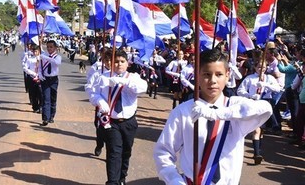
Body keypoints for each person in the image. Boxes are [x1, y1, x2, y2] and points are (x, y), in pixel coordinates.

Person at [154, 49, 273, 184]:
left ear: (228, 75)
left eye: (219, 74)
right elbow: (163, 152)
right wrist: (174, 180)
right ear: (197, 75)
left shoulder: (234, 106)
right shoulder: (183, 111)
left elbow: (265, 109)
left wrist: (218, 113)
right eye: (206, 74)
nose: (212, 81)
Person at [86, 49, 147, 184]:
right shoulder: (103, 77)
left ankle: (122, 179)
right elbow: (92, 92)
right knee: (114, 152)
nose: (119, 64)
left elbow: (142, 87)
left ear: (127, 63)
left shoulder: (133, 77)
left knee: (126, 152)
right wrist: (100, 102)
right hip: (111, 122)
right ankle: (112, 182)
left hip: (128, 122)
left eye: (122, 61)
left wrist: (123, 82)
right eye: (116, 61)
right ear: (111, 63)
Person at [236, 53, 282, 165]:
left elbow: (278, 89)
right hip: (254, 104)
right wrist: (250, 96)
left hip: (266, 105)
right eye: (259, 67)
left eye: (264, 67)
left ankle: (258, 150)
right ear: (255, 67)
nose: (262, 69)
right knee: (256, 129)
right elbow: (240, 91)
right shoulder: (249, 78)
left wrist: (266, 85)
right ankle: (257, 154)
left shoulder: (269, 78)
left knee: (262, 131)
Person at [38, 40, 62, 126]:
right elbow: (40, 67)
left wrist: (46, 58)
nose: (49, 48)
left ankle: (51, 116)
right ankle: (45, 118)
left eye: (51, 47)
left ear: (55, 48)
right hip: (45, 79)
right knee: (46, 98)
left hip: (54, 80)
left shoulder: (57, 57)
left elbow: (56, 63)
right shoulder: (43, 56)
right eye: (48, 47)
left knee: (53, 98)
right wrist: (40, 74)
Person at [22, 44, 43, 114]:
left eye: (36, 51)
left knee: (41, 93)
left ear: (39, 51)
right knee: (33, 94)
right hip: (32, 78)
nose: (35, 53)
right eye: (34, 51)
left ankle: (41, 107)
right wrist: (33, 74)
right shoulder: (29, 59)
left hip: (40, 78)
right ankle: (35, 107)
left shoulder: (42, 59)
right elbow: (25, 68)